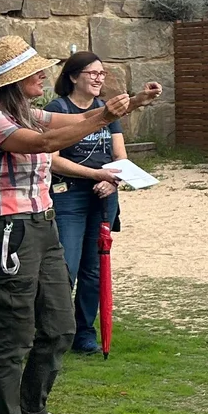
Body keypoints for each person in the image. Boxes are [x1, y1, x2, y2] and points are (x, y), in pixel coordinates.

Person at [0, 36, 158, 414]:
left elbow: (74, 124)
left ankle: (34, 409)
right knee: (14, 332)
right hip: (10, 230)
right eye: (33, 72)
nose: (43, 76)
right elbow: (46, 143)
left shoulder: (28, 113)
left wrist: (132, 105)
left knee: (59, 325)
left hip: (43, 225)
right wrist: (105, 116)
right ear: (13, 82)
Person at [45, 51, 123, 355]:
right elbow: (52, 160)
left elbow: (121, 156)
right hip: (69, 196)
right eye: (93, 73)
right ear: (74, 76)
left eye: (102, 73)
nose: (99, 79)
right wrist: (94, 174)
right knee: (67, 266)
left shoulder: (107, 110)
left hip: (104, 195)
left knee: (95, 267)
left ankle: (84, 331)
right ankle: (56, 330)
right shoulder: (57, 110)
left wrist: (110, 179)